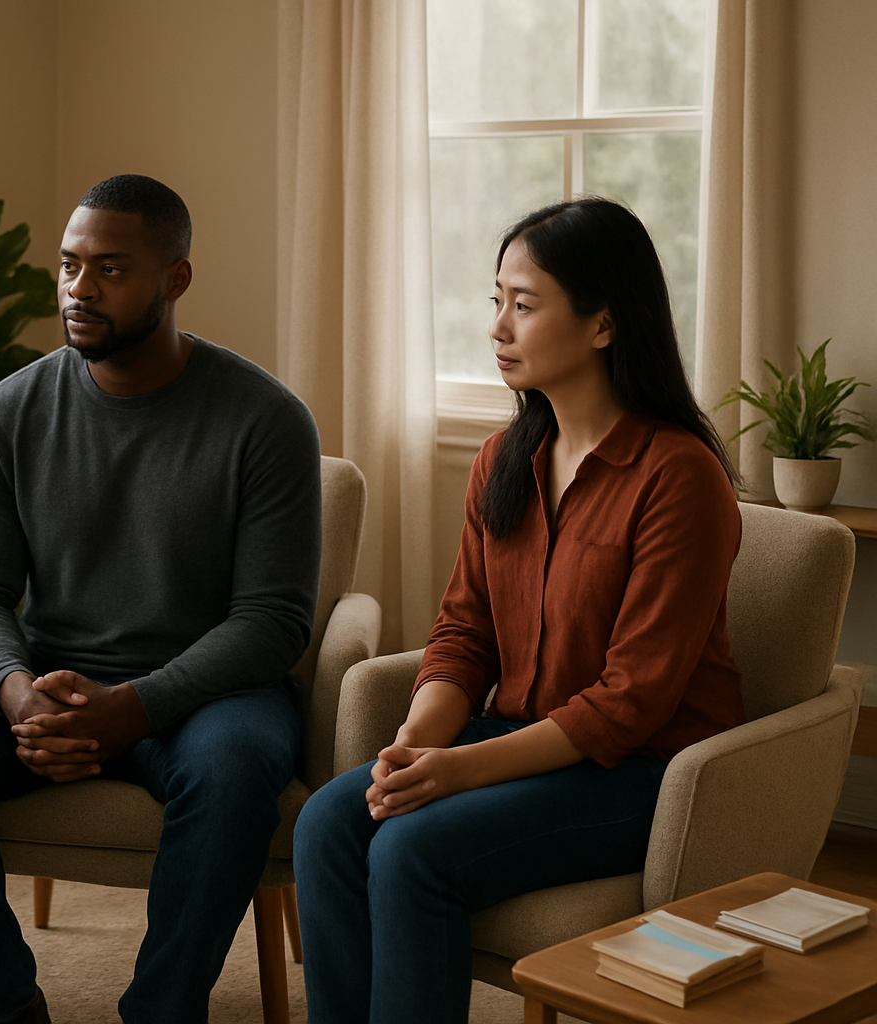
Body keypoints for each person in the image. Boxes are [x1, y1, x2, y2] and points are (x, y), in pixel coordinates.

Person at [0, 174, 322, 1024]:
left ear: (175, 279)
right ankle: (2, 1008)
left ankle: (160, 1010)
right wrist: (16, 694)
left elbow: (273, 623)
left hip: (208, 694)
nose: (79, 289)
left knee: (233, 775)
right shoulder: (6, 414)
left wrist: (137, 707)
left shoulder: (266, 420)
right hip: (46, 681)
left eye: (110, 269)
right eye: (69, 266)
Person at [292, 197, 745, 1023]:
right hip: (523, 737)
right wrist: (417, 741)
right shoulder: (506, 456)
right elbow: (465, 633)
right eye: (495, 300)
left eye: (524, 305)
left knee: (413, 848)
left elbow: (629, 702)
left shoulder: (679, 477)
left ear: (603, 324)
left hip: (644, 770)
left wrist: (457, 770)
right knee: (328, 821)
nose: (498, 326)